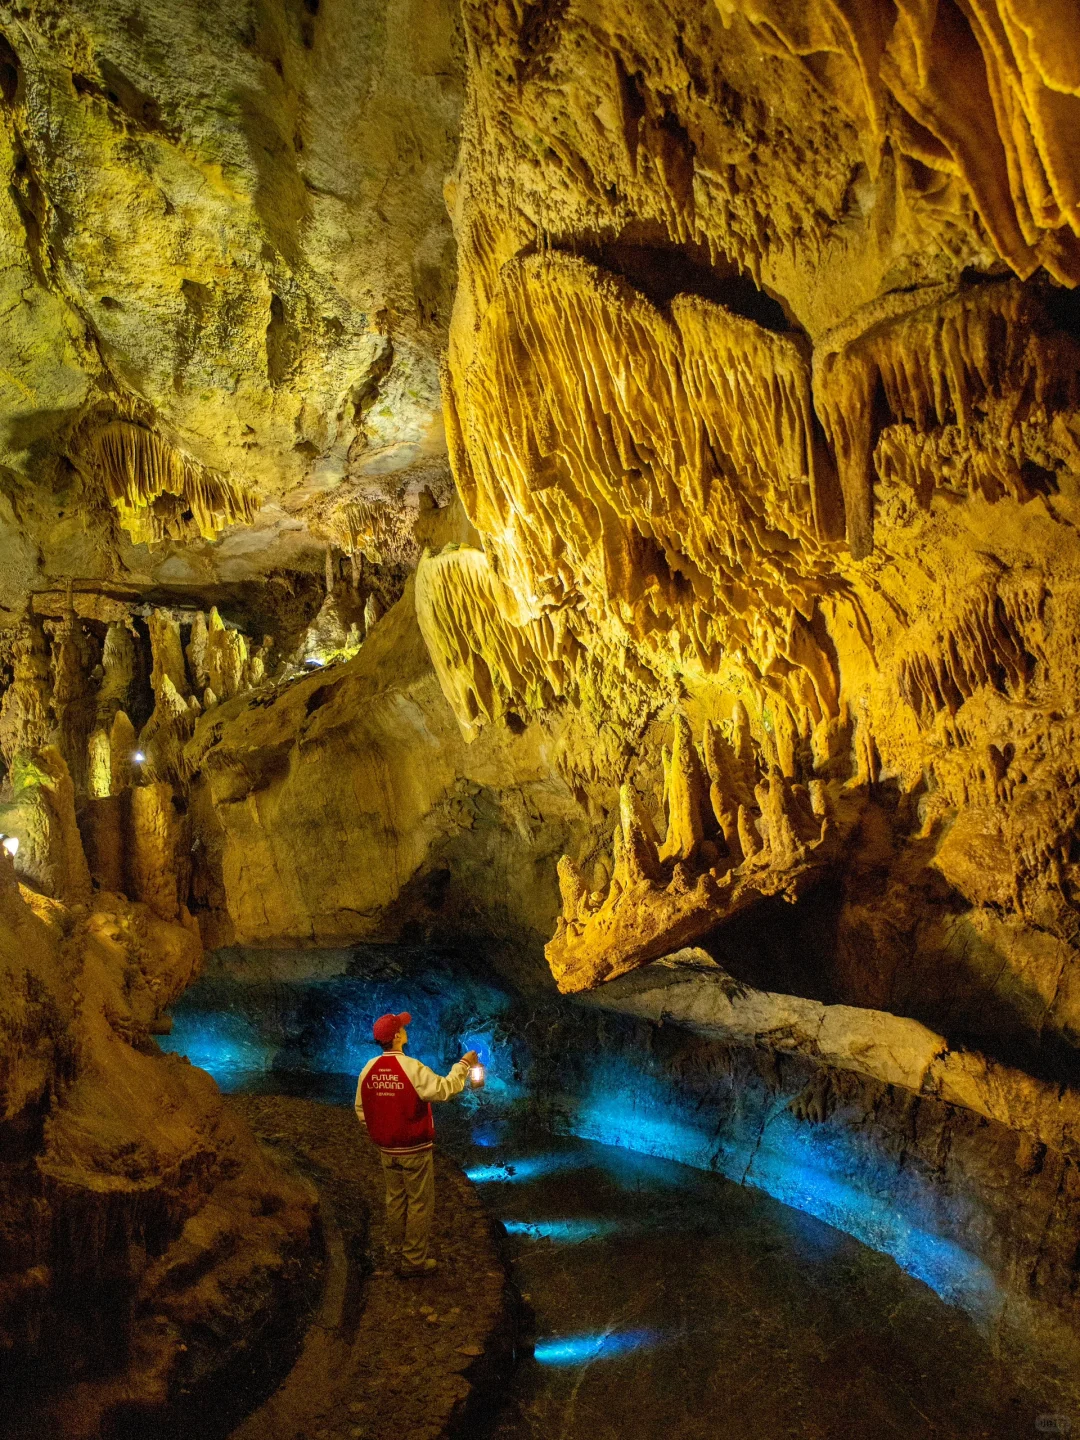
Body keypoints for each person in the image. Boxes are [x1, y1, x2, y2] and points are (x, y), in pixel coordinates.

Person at [355, 1011, 478, 1277]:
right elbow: (444, 1089)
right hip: (414, 1149)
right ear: (398, 1036)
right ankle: (413, 1261)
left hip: (387, 1149)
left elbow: (361, 1109)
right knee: (419, 1203)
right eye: (402, 1028)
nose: (406, 1030)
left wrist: (381, 1132)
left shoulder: (368, 1069)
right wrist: (464, 1065)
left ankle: (395, 1251)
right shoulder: (412, 1068)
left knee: (395, 1200)